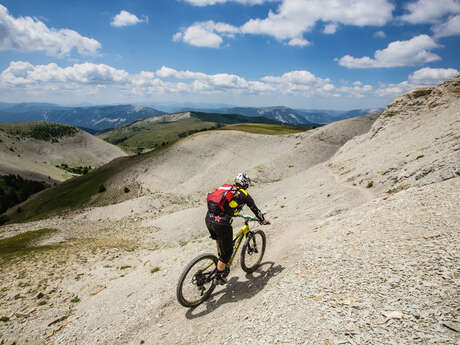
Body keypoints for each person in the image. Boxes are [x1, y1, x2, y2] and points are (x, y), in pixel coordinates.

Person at [205, 172, 269, 285]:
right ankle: (219, 276)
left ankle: (220, 260)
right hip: (221, 223)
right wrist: (262, 220)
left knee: (219, 239)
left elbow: (225, 205)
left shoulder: (226, 188)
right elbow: (255, 209)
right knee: (228, 252)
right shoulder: (244, 194)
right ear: (245, 185)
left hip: (208, 218)